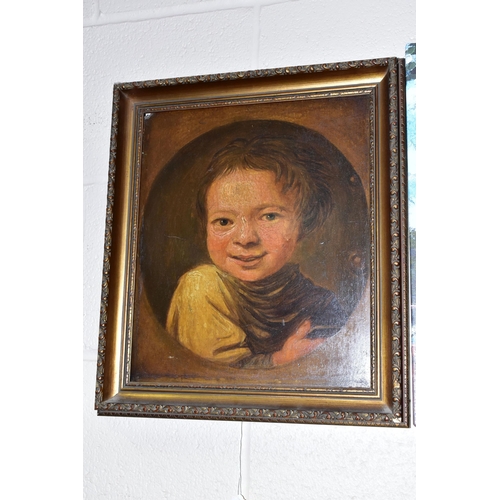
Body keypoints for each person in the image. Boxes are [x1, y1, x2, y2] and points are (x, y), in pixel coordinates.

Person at [166, 136, 348, 367]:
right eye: (223, 221)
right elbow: (215, 378)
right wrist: (278, 361)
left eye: (269, 216)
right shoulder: (201, 287)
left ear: (303, 223)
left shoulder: (321, 303)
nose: (245, 239)